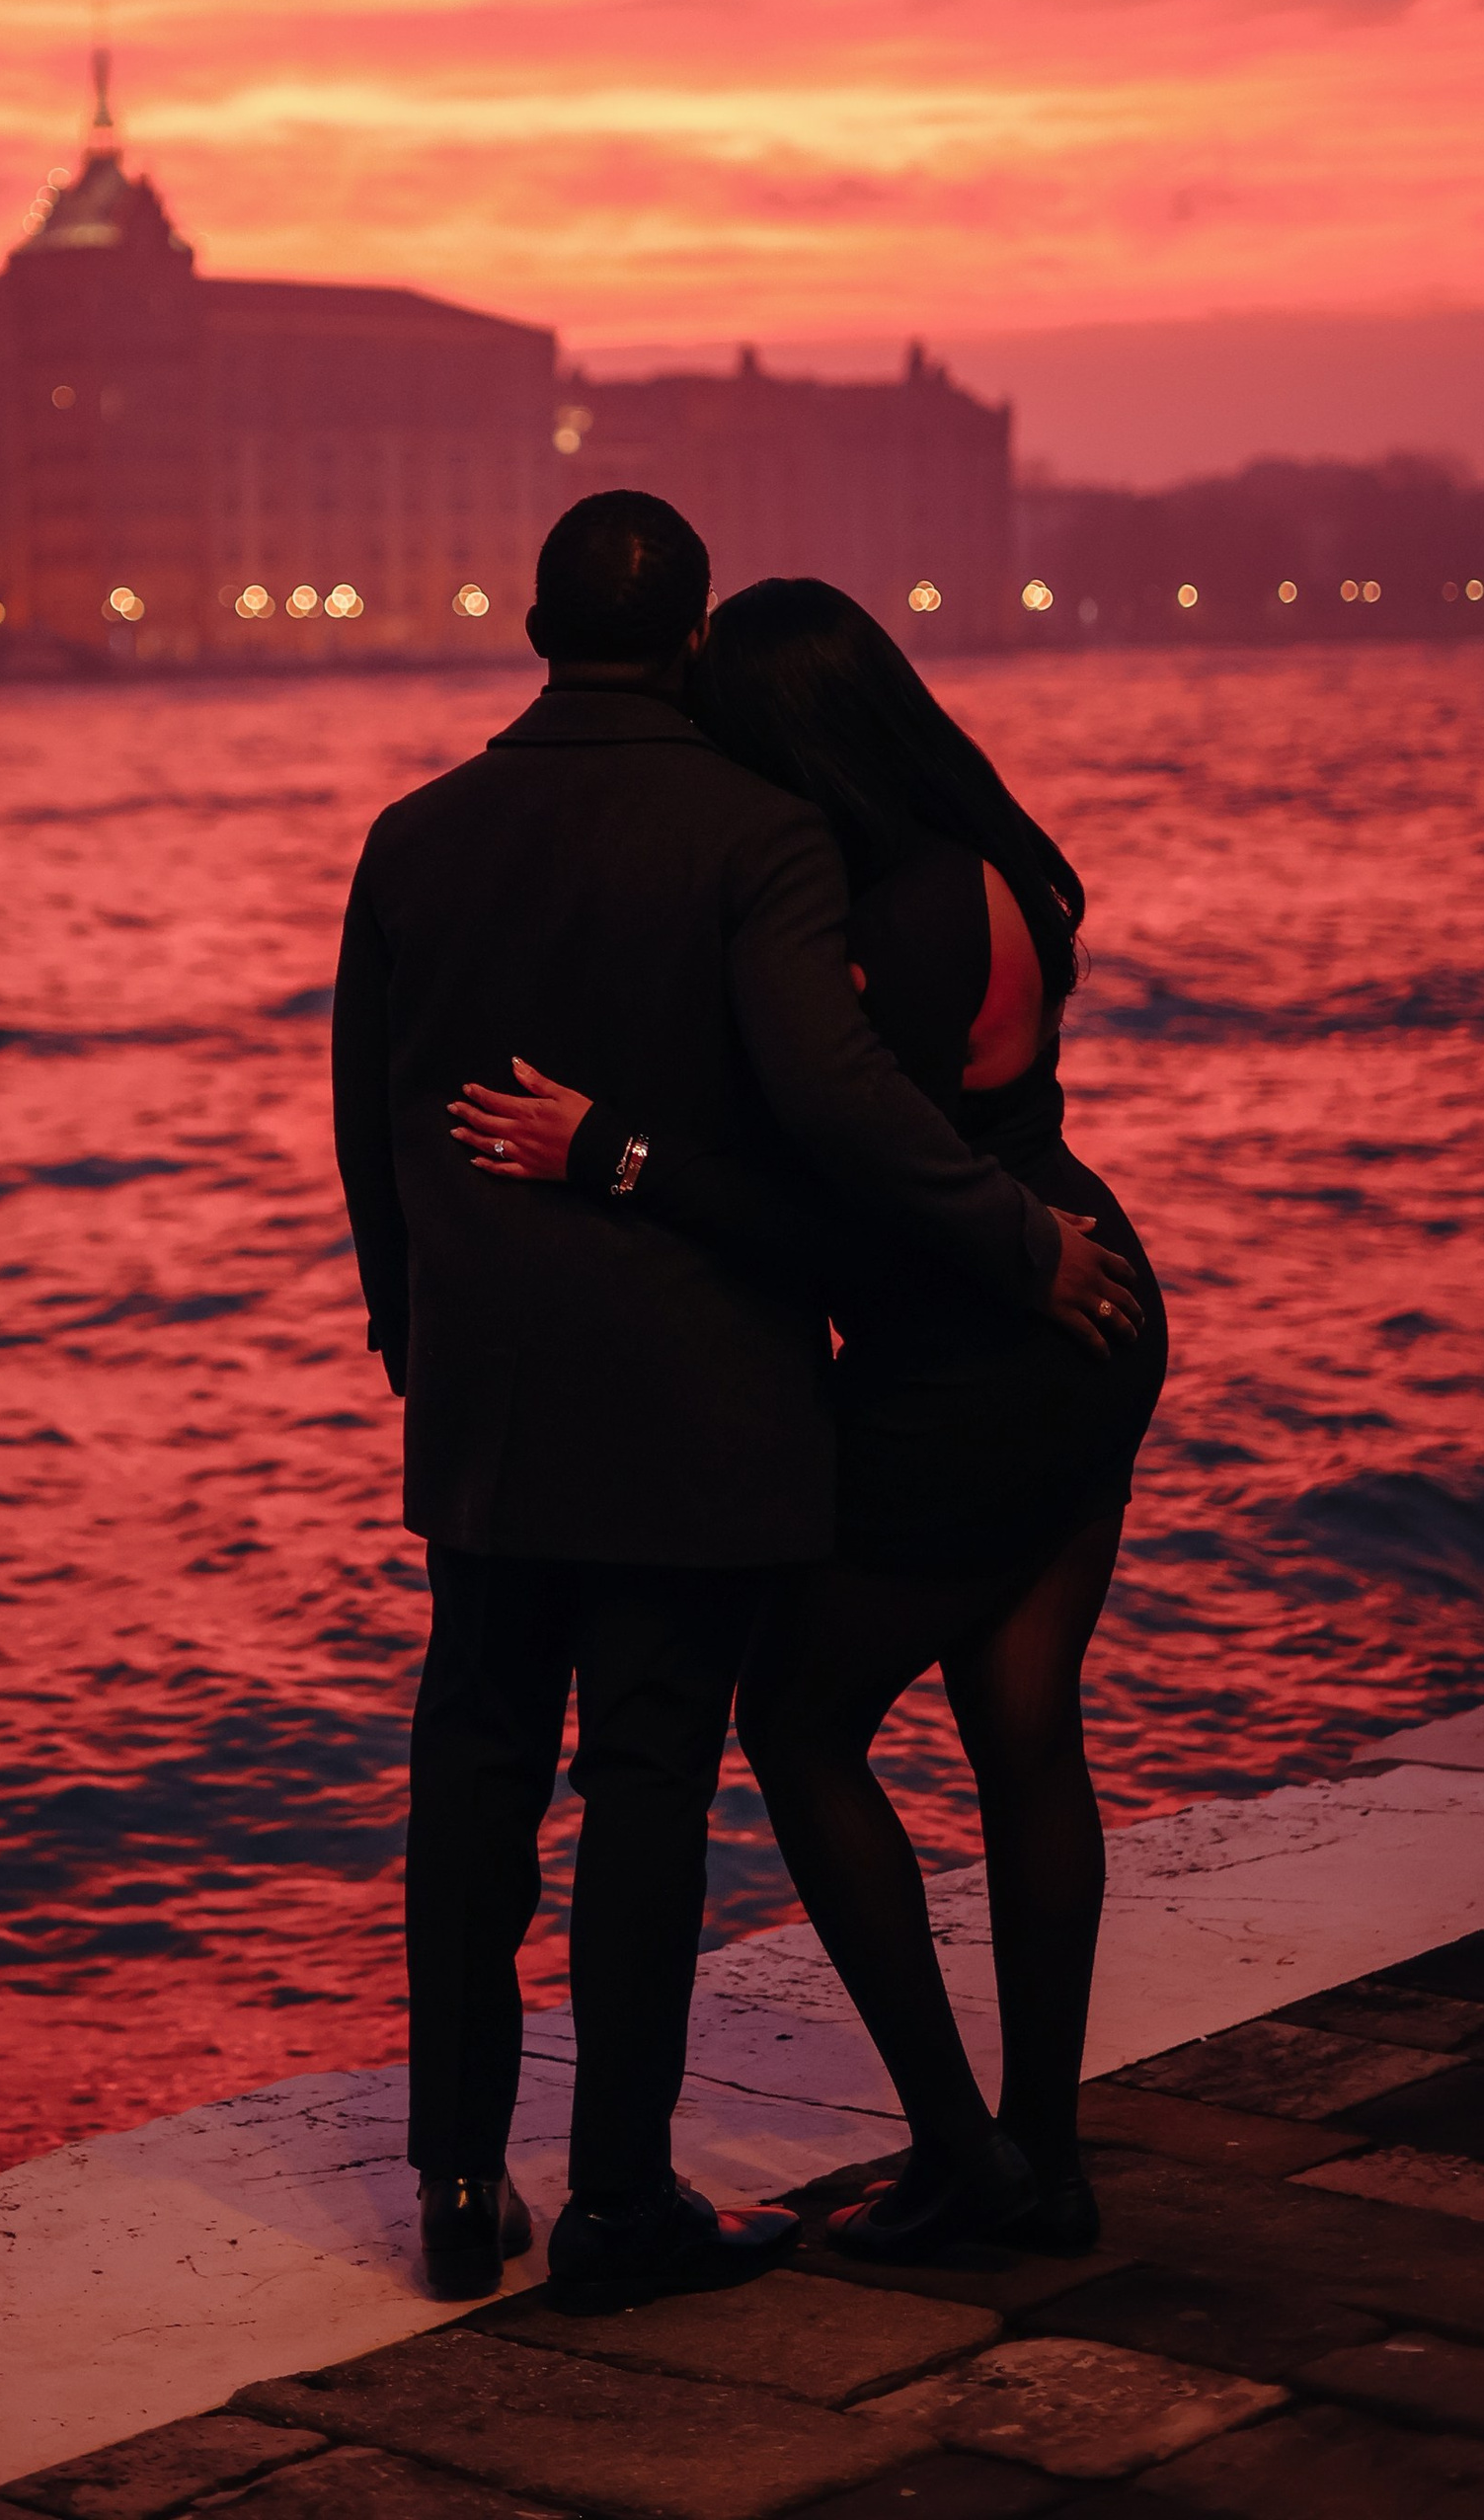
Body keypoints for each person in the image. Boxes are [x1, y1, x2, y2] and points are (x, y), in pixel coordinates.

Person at [333, 500, 1137, 2307]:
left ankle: (460, 2181)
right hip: (703, 1400)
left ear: (531, 623)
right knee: (646, 1786)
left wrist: (416, 1335)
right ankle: (622, 2200)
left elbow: (369, 1131)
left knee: (469, 1776)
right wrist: (1015, 1240)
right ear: (691, 641)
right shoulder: (758, 839)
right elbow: (845, 1109)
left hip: (488, 1406)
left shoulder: (412, 837)